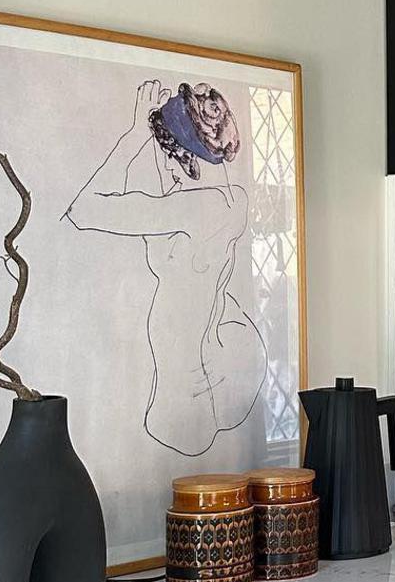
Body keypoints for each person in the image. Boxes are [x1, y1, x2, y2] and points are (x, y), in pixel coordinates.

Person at [66, 79, 265, 456]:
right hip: (223, 366)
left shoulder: (188, 211)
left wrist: (131, 135)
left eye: (161, 153)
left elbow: (83, 209)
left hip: (186, 389)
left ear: (182, 158)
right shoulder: (231, 201)